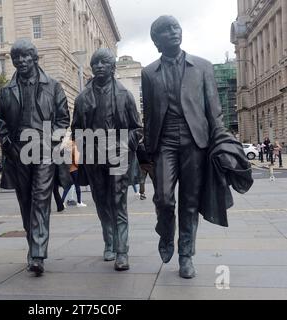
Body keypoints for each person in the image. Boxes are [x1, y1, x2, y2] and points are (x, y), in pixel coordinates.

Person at [142, 16, 226, 279]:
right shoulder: (148, 72)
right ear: (157, 40)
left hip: (195, 141)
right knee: (164, 198)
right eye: (166, 30)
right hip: (164, 141)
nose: (173, 32)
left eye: (176, 27)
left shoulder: (202, 67)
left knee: (189, 203)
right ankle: (166, 231)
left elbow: (214, 111)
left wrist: (221, 139)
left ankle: (186, 255)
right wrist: (147, 147)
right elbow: (149, 115)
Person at [0, 39, 70, 275]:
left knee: (40, 198)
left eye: (25, 56)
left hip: (45, 150)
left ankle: (37, 253)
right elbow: (1, 123)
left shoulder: (53, 86)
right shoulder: (6, 91)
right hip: (18, 151)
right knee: (25, 201)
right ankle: (33, 246)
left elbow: (62, 120)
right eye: (16, 57)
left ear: (35, 58)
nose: (21, 60)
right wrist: (8, 145)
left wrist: (51, 142)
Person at [72, 48, 143, 271]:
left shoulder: (124, 95)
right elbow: (76, 129)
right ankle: (109, 242)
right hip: (93, 156)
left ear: (112, 68)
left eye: (104, 63)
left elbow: (137, 128)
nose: (99, 66)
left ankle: (122, 251)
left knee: (118, 202)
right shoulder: (82, 98)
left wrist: (124, 143)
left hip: (118, 153)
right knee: (102, 202)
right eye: (95, 63)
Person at [61, 140, 87, 208]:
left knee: (68, 186)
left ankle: (62, 202)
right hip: (75, 169)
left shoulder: (66, 146)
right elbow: (76, 160)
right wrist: (79, 166)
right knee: (77, 185)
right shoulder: (74, 146)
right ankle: (79, 202)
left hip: (68, 168)